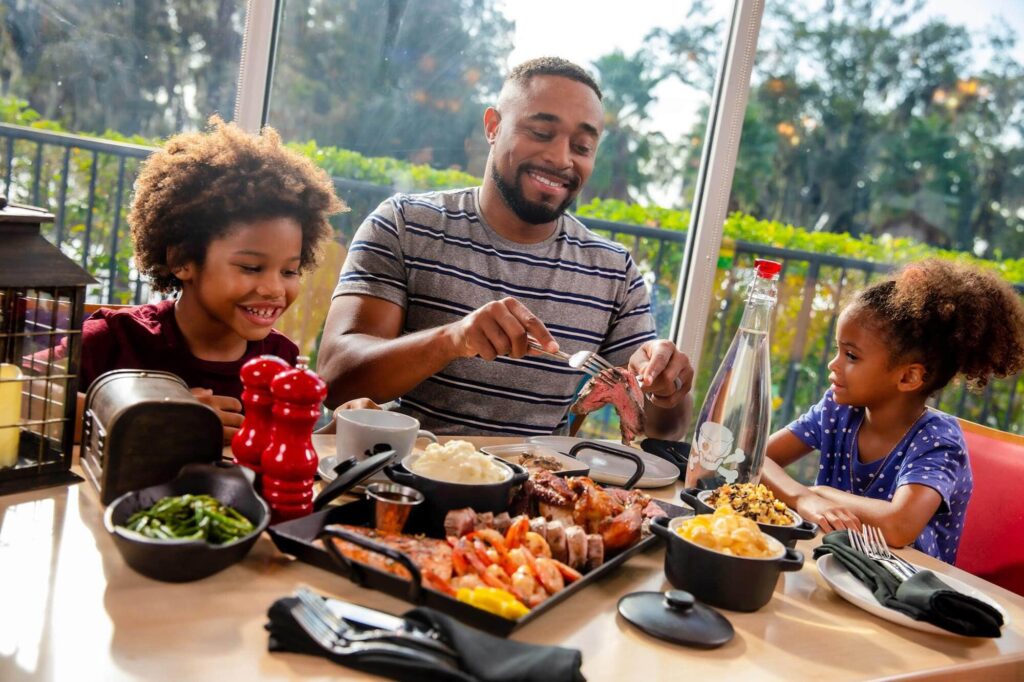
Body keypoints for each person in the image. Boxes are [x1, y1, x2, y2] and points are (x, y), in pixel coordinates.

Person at [317, 57, 693, 438]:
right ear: (493, 127)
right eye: (542, 133)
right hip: (406, 485)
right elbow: (336, 378)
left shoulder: (614, 271)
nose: (562, 159)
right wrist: (452, 339)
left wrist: (666, 385)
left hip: (546, 491)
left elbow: (666, 429)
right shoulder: (404, 224)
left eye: (581, 146)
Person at [77, 116, 345, 442]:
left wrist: (343, 430)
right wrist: (155, 420)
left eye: (289, 271)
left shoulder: (282, 360)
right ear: (182, 261)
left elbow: (289, 450)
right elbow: (23, 398)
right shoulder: (113, 341)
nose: (275, 288)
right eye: (251, 267)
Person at [761, 259, 1024, 563]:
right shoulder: (836, 410)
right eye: (837, 350)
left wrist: (819, 492)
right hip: (832, 564)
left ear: (908, 377)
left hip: (900, 593)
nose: (833, 364)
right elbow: (757, 459)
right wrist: (801, 497)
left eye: (851, 355)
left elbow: (899, 526)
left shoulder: (938, 441)